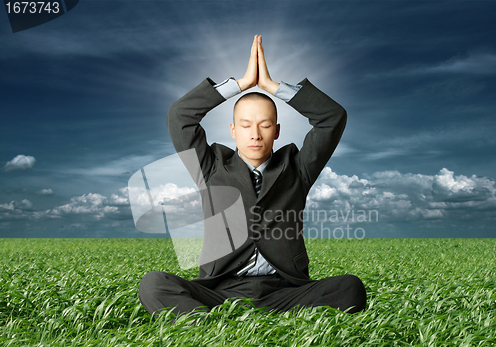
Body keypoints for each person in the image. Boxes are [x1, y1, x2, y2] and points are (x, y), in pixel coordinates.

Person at [139, 35, 366, 318]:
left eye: (265, 125)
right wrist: (240, 85)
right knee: (153, 284)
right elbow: (179, 116)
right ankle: (208, 331)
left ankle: (234, 325)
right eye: (246, 125)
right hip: (219, 291)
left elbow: (332, 117)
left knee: (350, 287)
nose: (255, 134)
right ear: (233, 130)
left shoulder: (297, 168)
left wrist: (273, 87)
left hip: (284, 292)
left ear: (277, 131)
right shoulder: (210, 166)